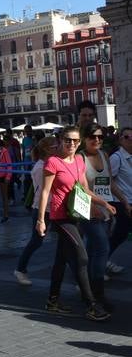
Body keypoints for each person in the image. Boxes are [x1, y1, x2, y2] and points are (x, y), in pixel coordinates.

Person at [36, 126, 114, 320]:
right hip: (60, 217)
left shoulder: (79, 160)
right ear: (61, 140)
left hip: (76, 215)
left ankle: (52, 300)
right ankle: (91, 305)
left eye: (75, 141)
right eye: (68, 140)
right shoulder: (53, 162)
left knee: (61, 260)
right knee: (82, 257)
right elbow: (45, 192)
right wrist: (40, 220)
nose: (71, 143)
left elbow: (84, 188)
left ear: (79, 142)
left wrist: (103, 203)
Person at [13, 137, 58, 285]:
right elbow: (46, 192)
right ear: (46, 150)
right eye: (54, 147)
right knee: (36, 241)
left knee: (66, 241)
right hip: (43, 209)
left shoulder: (49, 164)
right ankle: (20, 269)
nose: (57, 149)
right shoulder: (40, 168)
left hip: (54, 208)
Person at [79, 124, 114, 310]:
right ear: (85, 138)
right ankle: (98, 294)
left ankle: (89, 291)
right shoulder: (80, 158)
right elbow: (81, 188)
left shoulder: (104, 155)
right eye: (93, 137)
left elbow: (110, 183)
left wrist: (124, 202)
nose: (97, 140)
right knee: (102, 248)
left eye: (100, 137)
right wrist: (95, 206)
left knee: (93, 250)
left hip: (105, 209)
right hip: (88, 210)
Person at [107, 126, 132, 274]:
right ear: (121, 139)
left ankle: (102, 259)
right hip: (122, 202)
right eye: (127, 137)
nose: (131, 140)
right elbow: (108, 181)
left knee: (120, 233)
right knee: (120, 233)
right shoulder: (116, 158)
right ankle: (101, 261)